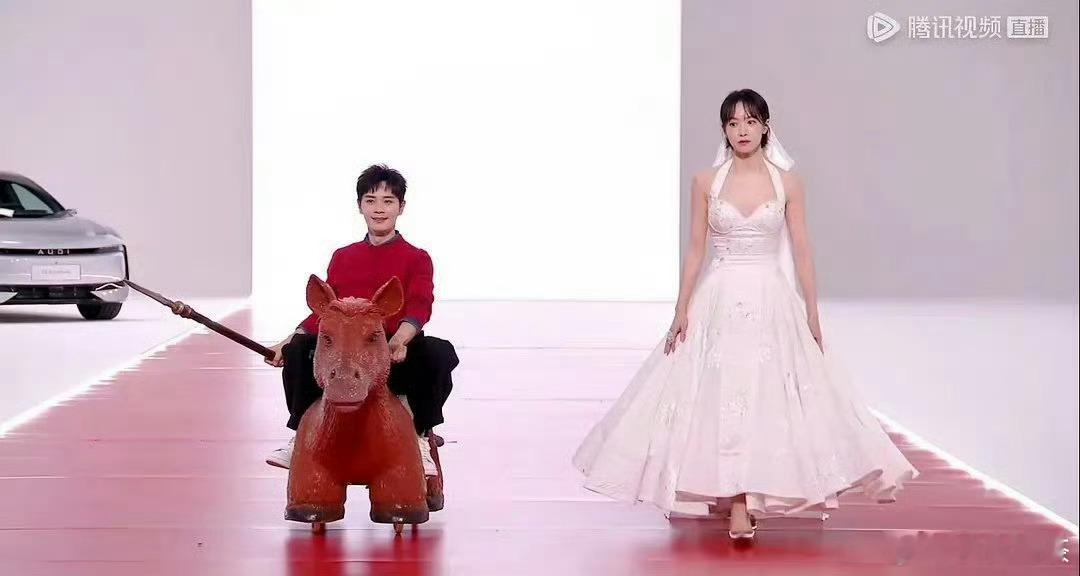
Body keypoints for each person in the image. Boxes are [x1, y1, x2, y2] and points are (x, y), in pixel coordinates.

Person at [572, 89, 917, 540]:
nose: (742, 131)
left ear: (765, 127)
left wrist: (812, 313)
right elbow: (695, 250)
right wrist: (680, 309)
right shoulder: (706, 182)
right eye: (733, 123)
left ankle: (745, 497)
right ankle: (735, 498)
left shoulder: (788, 183)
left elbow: (803, 250)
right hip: (719, 298)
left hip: (771, 298)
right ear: (724, 130)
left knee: (764, 396)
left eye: (750, 121)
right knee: (719, 395)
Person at [264, 164, 458, 478]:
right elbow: (326, 311)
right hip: (345, 350)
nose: (379, 209)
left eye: (388, 201)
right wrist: (286, 342)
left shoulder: (417, 257)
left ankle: (419, 436)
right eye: (371, 200)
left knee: (438, 353)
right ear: (360, 206)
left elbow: (420, 305)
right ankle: (300, 434)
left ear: (401, 207)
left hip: (392, 349)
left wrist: (399, 341)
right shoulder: (343, 256)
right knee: (299, 351)